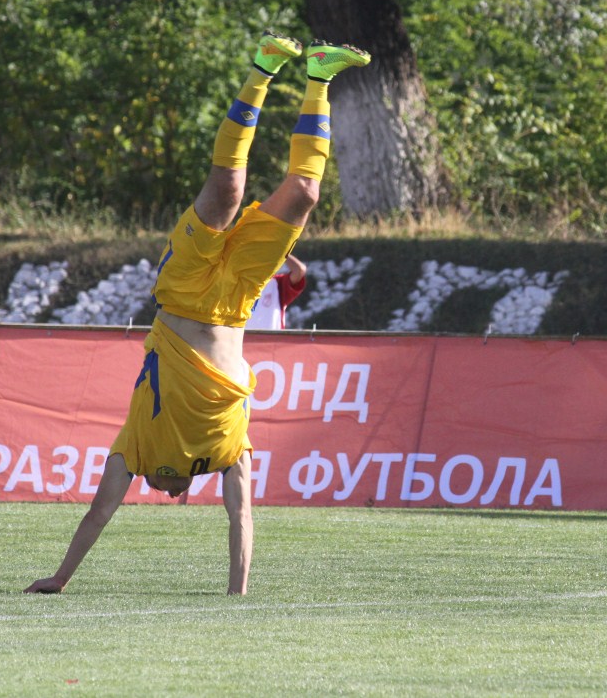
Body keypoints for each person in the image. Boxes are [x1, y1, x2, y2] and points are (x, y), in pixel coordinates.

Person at [25, 31, 370, 596]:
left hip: (182, 292)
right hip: (238, 299)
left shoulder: (136, 451)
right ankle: (320, 76)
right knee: (306, 193)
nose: (167, 492)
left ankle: (262, 68)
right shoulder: (225, 454)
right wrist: (238, 593)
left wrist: (60, 578)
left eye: (163, 492)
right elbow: (242, 517)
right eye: (173, 492)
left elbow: (98, 513)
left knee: (227, 188)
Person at [245, 253, 308, 330]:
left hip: (272, 337)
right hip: (241, 336)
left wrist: (282, 251)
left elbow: (299, 270)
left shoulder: (278, 283)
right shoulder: (239, 282)